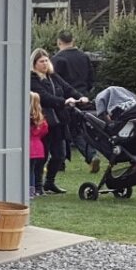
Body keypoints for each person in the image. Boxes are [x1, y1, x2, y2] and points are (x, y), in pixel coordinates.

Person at [30, 49, 86, 195]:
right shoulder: (33, 79)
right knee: (42, 155)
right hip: (44, 122)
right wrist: (64, 102)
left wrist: (80, 97)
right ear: (34, 64)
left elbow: (68, 88)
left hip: (59, 121)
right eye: (41, 61)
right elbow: (44, 97)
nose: (45, 63)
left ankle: (50, 182)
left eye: (46, 60)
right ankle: (37, 185)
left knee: (59, 155)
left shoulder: (52, 77)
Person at [50, 32, 99, 173]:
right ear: (73, 40)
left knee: (66, 132)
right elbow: (91, 79)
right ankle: (91, 154)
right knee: (83, 130)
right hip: (83, 98)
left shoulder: (57, 59)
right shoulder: (84, 57)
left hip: (66, 101)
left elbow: (55, 81)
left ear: (59, 42)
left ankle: (64, 161)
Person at [28, 91, 48, 199]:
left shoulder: (26, 118)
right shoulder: (40, 119)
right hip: (39, 147)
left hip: (29, 148)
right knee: (35, 170)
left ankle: (28, 190)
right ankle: (34, 189)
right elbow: (45, 130)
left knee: (28, 170)